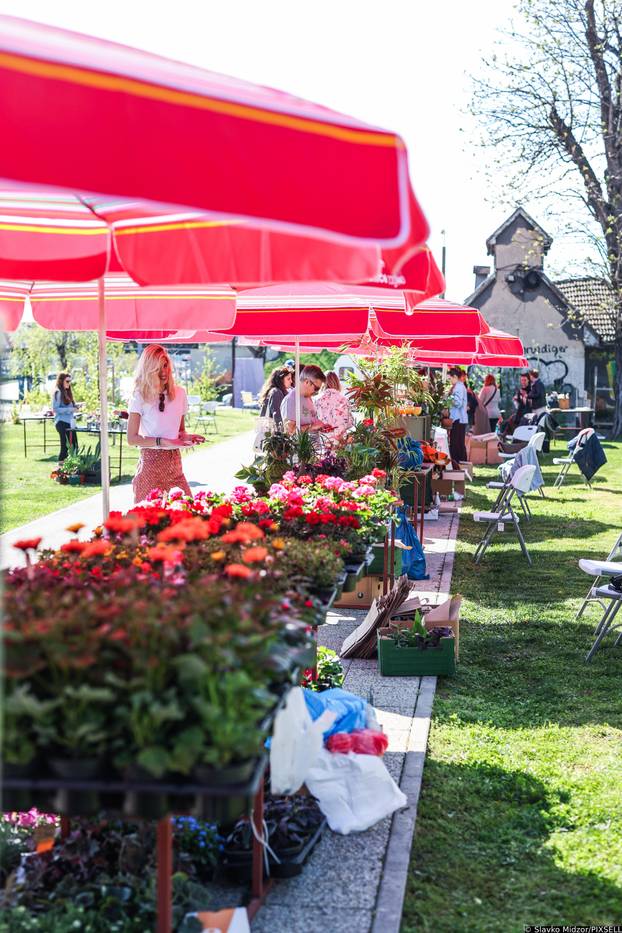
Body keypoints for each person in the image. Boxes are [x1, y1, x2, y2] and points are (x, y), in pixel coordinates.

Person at [127, 345, 205, 503]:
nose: (163, 372)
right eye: (157, 368)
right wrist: (162, 442)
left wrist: (187, 437)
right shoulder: (139, 395)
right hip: (150, 464)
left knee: (187, 512)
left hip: (175, 462)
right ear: (148, 370)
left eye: (165, 365)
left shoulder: (180, 393)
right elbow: (132, 439)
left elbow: (180, 431)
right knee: (149, 517)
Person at [280, 364, 329, 434]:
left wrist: (320, 427)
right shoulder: (291, 400)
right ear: (307, 382)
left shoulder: (307, 397)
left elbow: (311, 422)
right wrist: (313, 426)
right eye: (316, 388)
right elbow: (289, 432)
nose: (316, 392)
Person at [315, 371, 354, 446]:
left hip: (325, 437)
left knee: (326, 453)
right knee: (341, 453)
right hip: (341, 438)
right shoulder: (344, 400)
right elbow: (350, 422)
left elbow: (314, 421)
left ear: (323, 383)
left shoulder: (317, 400)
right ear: (337, 382)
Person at [52, 372, 79, 466]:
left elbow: (67, 406)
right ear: (61, 381)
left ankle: (70, 466)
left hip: (69, 422)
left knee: (74, 446)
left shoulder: (67, 392)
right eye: (67, 381)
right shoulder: (58, 392)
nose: (69, 383)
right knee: (65, 447)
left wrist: (76, 406)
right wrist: (70, 409)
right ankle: (60, 468)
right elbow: (55, 409)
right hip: (62, 422)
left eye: (70, 381)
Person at [258, 367, 293, 431]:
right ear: (280, 380)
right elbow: (277, 417)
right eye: (288, 379)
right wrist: (283, 433)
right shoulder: (276, 392)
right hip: (272, 433)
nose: (291, 381)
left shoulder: (275, 391)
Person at [448, 367, 468, 468]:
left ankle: (458, 465)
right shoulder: (459, 386)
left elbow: (458, 403)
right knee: (458, 443)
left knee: (456, 444)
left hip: (459, 419)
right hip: (459, 419)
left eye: (450, 378)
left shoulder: (459, 387)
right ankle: (460, 464)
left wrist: (448, 398)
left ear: (455, 377)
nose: (450, 381)